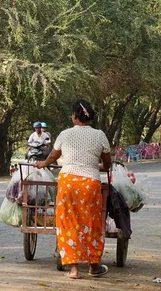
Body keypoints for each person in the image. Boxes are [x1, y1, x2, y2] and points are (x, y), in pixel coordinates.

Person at [36, 100, 112, 279]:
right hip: (90, 184)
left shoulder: (65, 134)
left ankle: (74, 270)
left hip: (68, 182)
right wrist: (100, 166)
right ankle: (94, 267)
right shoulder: (99, 135)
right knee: (92, 223)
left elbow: (53, 156)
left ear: (74, 116)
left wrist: (43, 164)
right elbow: (107, 163)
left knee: (68, 223)